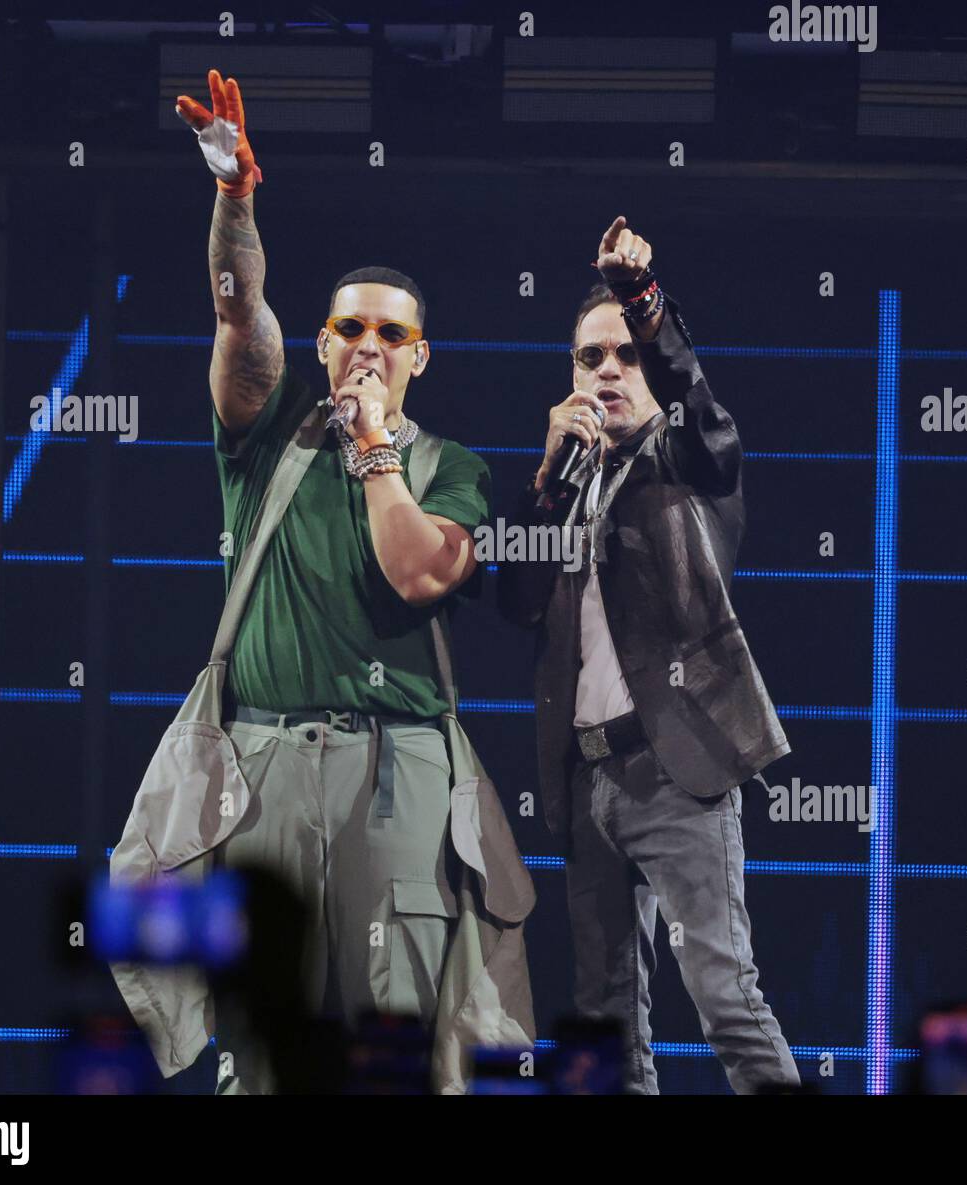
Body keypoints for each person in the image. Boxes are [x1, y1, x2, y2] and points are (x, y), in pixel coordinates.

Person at [172, 70, 507, 1094]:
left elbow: (415, 573)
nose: (365, 346)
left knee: (401, 1042)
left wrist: (372, 453)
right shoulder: (267, 430)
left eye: (388, 334)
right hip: (264, 761)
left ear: (421, 358)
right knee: (261, 1042)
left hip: (395, 769)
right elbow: (239, 314)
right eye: (348, 330)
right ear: (320, 344)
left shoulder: (451, 467)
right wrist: (235, 197)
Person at [497, 216, 800, 1094]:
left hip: (680, 772)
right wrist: (545, 481)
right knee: (607, 1025)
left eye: (625, 355)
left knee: (724, 996)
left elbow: (709, 422)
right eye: (589, 358)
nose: (606, 372)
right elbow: (514, 602)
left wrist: (645, 301)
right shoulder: (570, 481)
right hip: (589, 784)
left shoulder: (686, 461)